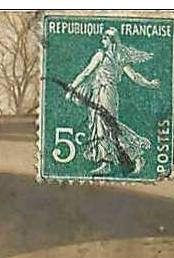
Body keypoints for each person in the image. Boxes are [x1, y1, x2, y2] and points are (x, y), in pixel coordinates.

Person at [65, 27, 160, 175]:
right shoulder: (119, 57)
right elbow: (134, 76)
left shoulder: (101, 55)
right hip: (106, 93)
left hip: (104, 93)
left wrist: (72, 87)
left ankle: (119, 160)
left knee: (105, 125)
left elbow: (86, 73)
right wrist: (149, 84)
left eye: (105, 37)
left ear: (111, 40)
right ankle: (122, 160)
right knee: (104, 126)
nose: (102, 40)